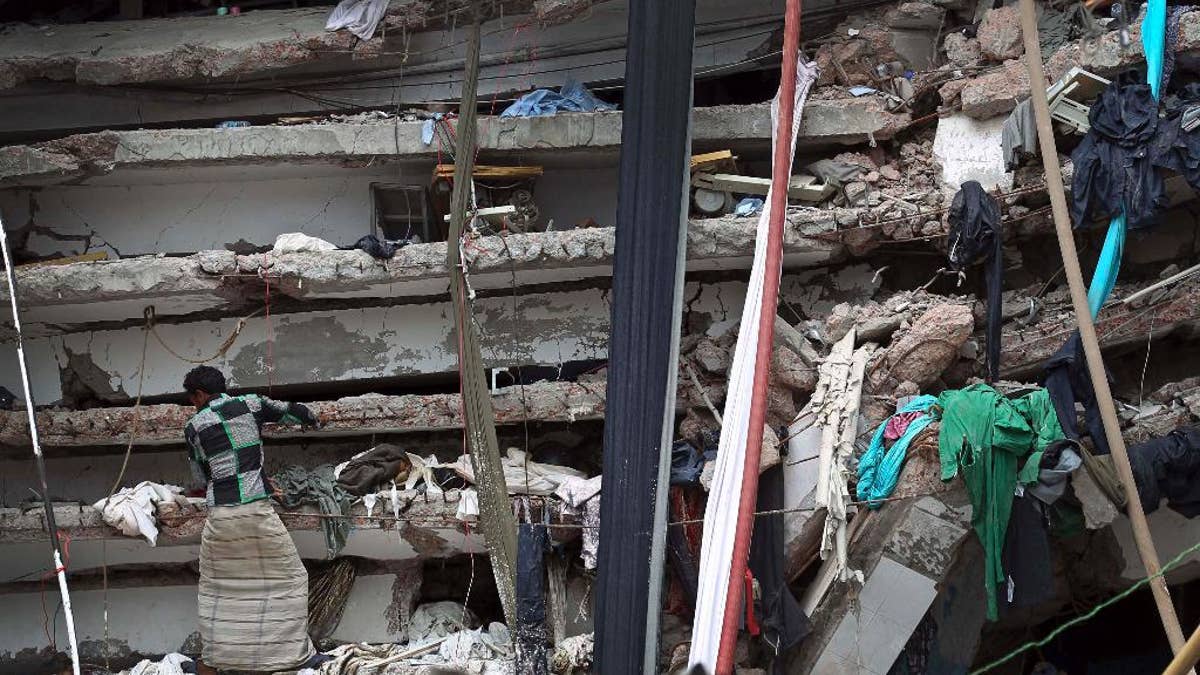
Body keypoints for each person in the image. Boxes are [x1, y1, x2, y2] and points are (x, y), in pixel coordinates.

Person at [181, 365, 327, 675]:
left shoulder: (193, 426)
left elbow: (201, 476)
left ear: (200, 395)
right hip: (256, 513)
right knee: (291, 579)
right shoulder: (251, 403)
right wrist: (315, 421)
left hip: (220, 518)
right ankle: (292, 656)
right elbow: (294, 412)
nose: (192, 403)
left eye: (191, 398)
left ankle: (216, 660)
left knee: (218, 589)